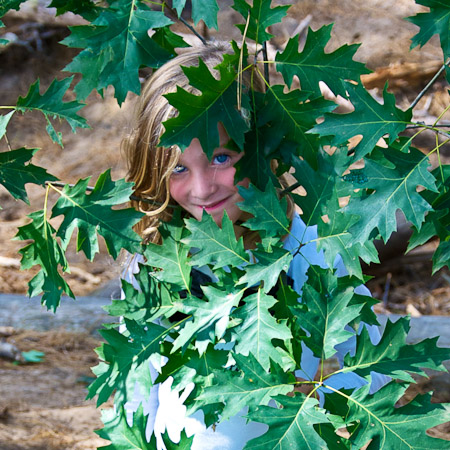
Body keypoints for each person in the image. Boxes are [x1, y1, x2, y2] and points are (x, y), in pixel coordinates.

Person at [121, 42, 387, 450]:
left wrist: (326, 407)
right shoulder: (155, 262)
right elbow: (136, 393)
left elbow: (376, 361)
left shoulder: (312, 253)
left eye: (221, 158)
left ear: (263, 149)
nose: (202, 189)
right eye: (177, 168)